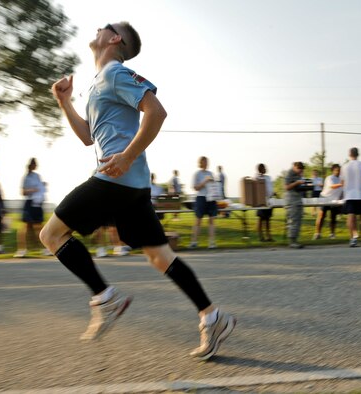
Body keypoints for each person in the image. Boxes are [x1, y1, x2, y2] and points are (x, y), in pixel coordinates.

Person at [39, 22, 235, 361]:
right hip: (131, 186)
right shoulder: (99, 82)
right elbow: (88, 137)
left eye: (106, 27)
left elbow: (156, 112)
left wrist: (127, 156)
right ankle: (211, 316)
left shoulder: (117, 73)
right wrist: (64, 101)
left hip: (114, 180)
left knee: (51, 234)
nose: (98, 28)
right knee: (160, 256)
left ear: (115, 40)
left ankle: (105, 298)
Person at [14, 158, 50, 257]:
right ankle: (21, 250)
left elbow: (41, 190)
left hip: (37, 204)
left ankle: (46, 249)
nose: (35, 166)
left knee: (39, 227)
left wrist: (43, 187)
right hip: (30, 203)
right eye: (34, 164)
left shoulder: (38, 176)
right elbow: (23, 192)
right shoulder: (26, 177)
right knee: (26, 227)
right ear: (31, 165)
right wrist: (33, 190)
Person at [341, 147, 361, 247]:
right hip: (360, 194)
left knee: (351, 217)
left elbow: (342, 182)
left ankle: (352, 238)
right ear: (358, 154)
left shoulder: (344, 167)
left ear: (349, 154)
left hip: (349, 195)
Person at [190, 156, 218, 249]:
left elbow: (214, 186)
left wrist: (213, 181)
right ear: (200, 163)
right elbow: (195, 188)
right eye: (204, 162)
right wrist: (205, 181)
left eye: (207, 161)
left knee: (211, 220)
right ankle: (194, 242)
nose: (206, 163)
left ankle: (211, 242)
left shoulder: (211, 173)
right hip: (201, 198)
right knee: (198, 220)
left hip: (211, 198)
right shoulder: (197, 174)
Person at [313, 164, 343, 240]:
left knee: (333, 217)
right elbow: (332, 186)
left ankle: (332, 234)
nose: (339, 171)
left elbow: (342, 191)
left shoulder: (342, 178)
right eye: (337, 170)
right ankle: (317, 233)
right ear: (333, 171)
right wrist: (342, 184)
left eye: (339, 170)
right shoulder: (329, 178)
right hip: (325, 198)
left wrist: (341, 198)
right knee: (321, 216)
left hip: (334, 200)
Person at [284, 161, 306, 249]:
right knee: (293, 221)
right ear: (295, 167)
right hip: (291, 200)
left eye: (301, 170)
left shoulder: (299, 175)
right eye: (299, 169)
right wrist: (297, 183)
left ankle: (295, 240)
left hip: (298, 200)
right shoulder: (289, 174)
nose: (300, 171)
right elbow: (286, 187)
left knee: (298, 221)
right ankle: (292, 241)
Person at [256, 164, 274, 242]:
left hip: (269, 199)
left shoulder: (268, 177)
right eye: (263, 168)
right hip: (261, 200)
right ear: (260, 169)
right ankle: (261, 236)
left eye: (265, 168)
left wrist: (273, 193)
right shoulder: (257, 178)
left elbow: (270, 187)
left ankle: (268, 236)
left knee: (268, 219)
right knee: (261, 218)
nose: (265, 169)